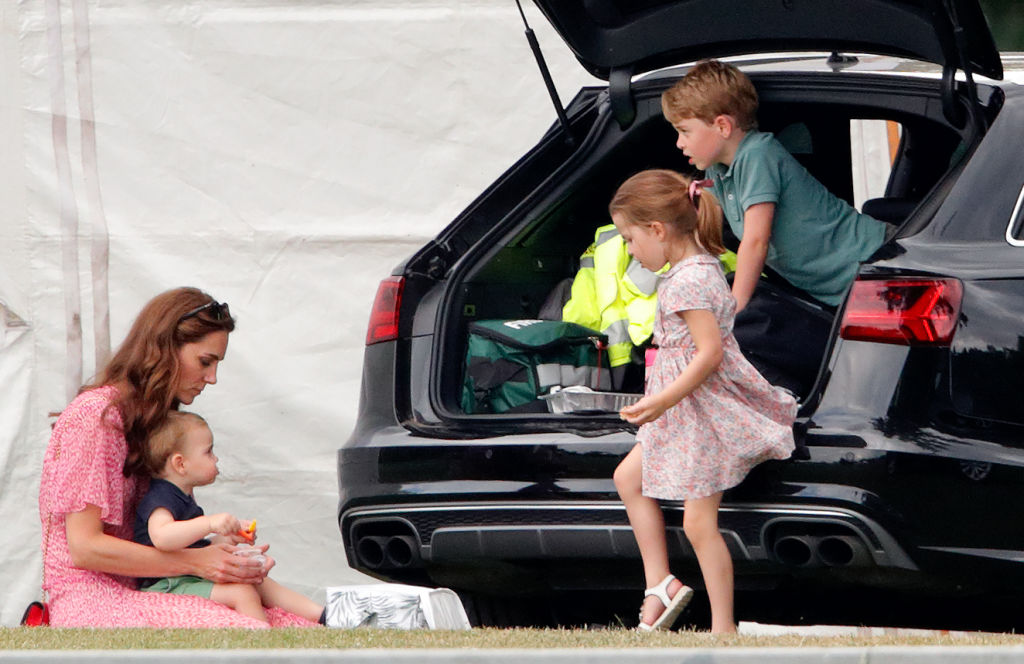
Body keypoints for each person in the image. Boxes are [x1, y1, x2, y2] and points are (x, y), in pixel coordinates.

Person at [37, 287, 319, 628]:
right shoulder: (95, 416)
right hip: (91, 600)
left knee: (297, 626)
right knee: (244, 628)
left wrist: (224, 554)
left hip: (153, 587)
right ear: (164, 349)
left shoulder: (158, 424)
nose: (212, 378)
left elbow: (170, 539)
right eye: (205, 362)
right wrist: (199, 562)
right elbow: (85, 549)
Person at [609, 170, 797, 633]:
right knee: (628, 478)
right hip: (685, 409)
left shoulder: (689, 280)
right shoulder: (697, 270)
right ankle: (660, 584)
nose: (630, 251)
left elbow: (709, 353)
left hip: (701, 414)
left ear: (657, 230)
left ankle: (723, 628)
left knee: (698, 522)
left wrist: (660, 402)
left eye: (629, 240)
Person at [661, 59, 888, 395]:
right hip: (840, 289)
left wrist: (734, 306)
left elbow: (755, 241)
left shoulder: (758, 154)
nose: (679, 143)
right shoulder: (721, 173)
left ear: (722, 126)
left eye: (684, 131)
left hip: (874, 263)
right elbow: (713, 234)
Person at [134, 410, 325, 624]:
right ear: (180, 464)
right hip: (166, 584)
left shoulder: (182, 496)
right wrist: (209, 523)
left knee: (257, 581)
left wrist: (227, 539)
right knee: (242, 591)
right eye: (208, 452)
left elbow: (191, 547)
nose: (215, 459)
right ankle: (263, 642)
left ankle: (324, 615)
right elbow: (162, 537)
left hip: (186, 575)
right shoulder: (162, 496)